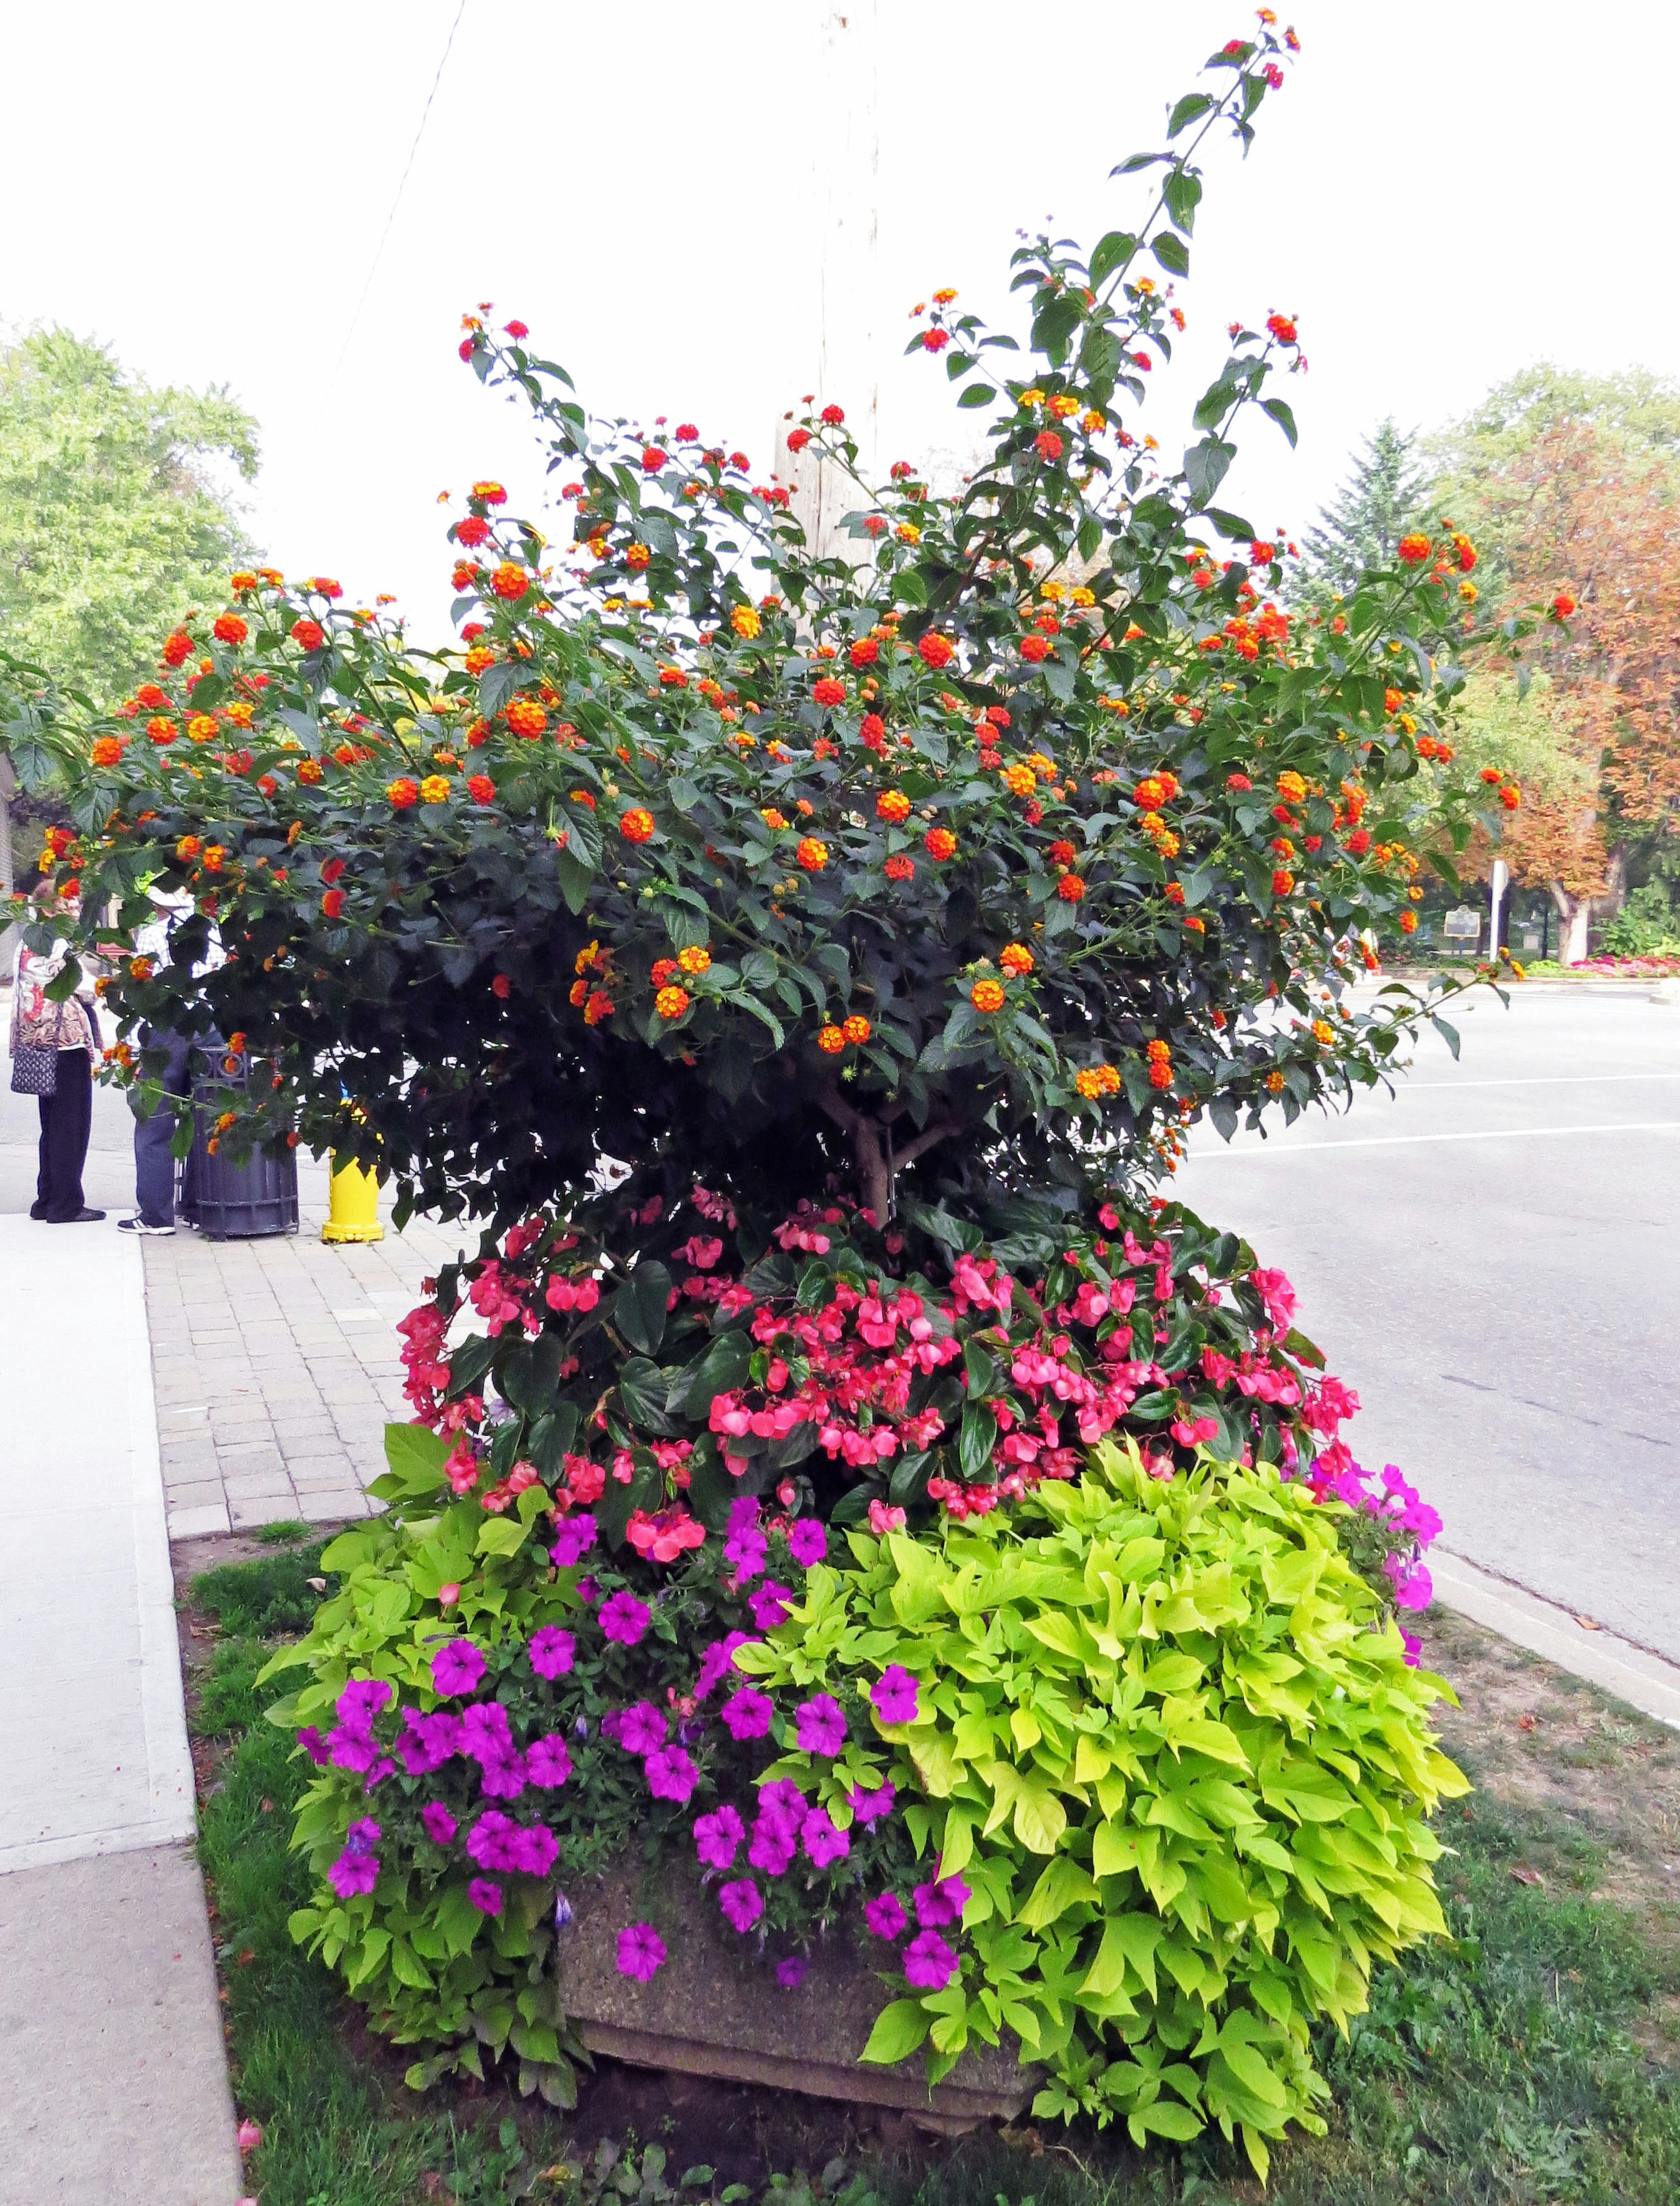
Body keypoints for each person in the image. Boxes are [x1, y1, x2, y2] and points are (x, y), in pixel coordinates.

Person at [10, 887, 105, 1223]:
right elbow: (85, 988)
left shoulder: (27, 944)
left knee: (51, 1124)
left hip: (37, 1043)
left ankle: (47, 1198)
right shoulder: (58, 945)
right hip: (65, 1045)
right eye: (70, 903)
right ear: (50, 910)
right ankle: (66, 1204)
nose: (77, 908)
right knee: (71, 1126)